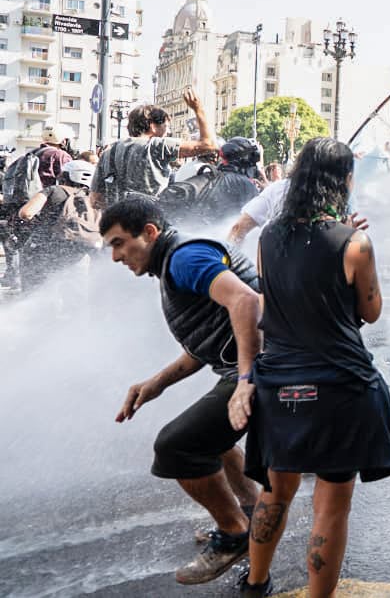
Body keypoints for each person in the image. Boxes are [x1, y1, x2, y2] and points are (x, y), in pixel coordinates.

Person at [235, 137, 390, 598]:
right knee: (331, 505)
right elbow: (371, 312)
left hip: (281, 382)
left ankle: (255, 582)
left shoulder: (267, 239)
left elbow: (280, 300)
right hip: (339, 386)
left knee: (275, 491)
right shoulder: (355, 243)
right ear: (344, 180)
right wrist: (351, 237)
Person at [101, 196, 263, 585]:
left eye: (119, 243)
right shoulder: (175, 260)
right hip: (261, 365)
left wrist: (246, 380)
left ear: (150, 233)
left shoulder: (184, 258)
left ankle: (234, 534)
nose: (116, 257)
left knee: (177, 446)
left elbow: (246, 301)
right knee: (214, 438)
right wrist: (156, 382)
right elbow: (205, 341)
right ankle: (253, 513)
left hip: (270, 368)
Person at [91, 89, 219, 208]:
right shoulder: (156, 145)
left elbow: (95, 198)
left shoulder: (108, 152)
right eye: (165, 126)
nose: (168, 132)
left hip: (114, 223)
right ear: (152, 126)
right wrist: (199, 109)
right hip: (147, 221)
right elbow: (209, 145)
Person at [17, 158, 99, 290]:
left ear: (65, 176)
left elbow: (26, 213)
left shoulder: (54, 190)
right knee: (73, 295)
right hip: (79, 253)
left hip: (42, 249)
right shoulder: (95, 198)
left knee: (35, 293)